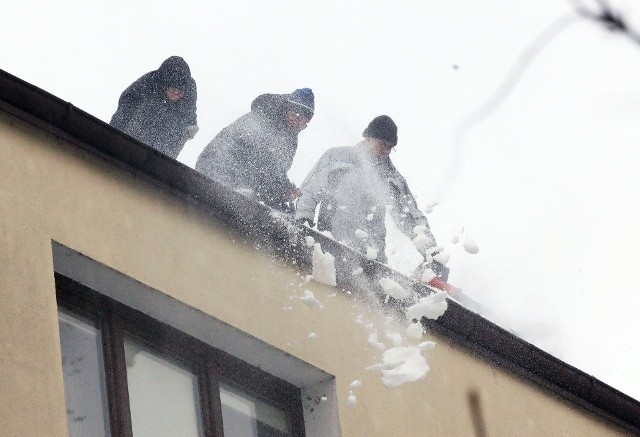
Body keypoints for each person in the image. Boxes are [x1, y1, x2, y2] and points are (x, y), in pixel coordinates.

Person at [295, 115, 453, 289]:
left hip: (370, 261)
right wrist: (304, 221)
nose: (386, 151)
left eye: (391, 147)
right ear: (368, 137)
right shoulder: (337, 157)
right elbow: (310, 190)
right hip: (329, 246)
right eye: (382, 144)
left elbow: (411, 219)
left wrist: (432, 256)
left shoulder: (391, 178)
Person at [195, 88, 314, 211]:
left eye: (304, 124)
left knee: (281, 214)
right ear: (288, 110)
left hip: (242, 181)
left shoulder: (290, 137)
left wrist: (284, 195)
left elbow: (276, 171)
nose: (299, 125)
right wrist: (284, 189)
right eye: (298, 118)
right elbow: (262, 162)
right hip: (216, 168)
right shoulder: (267, 116)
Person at [110, 56, 199, 159]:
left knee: (179, 130)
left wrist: (191, 124)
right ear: (164, 86)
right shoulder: (145, 86)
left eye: (179, 92)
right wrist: (112, 137)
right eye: (173, 90)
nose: (176, 94)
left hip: (166, 127)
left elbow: (189, 110)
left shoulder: (189, 87)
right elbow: (123, 112)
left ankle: (163, 163)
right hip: (141, 122)